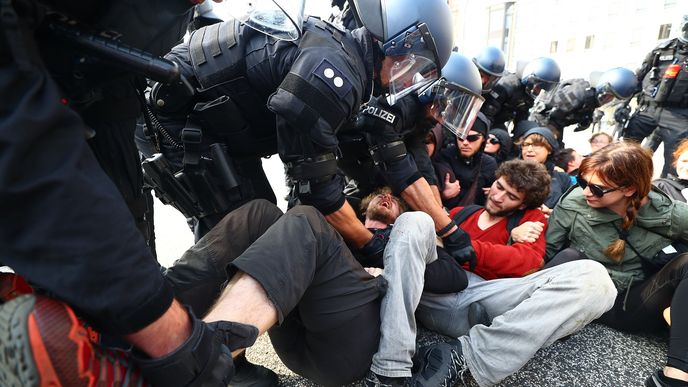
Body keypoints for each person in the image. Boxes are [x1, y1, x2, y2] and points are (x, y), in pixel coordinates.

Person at [0, 0, 305, 385]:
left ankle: (112, 342)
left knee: (130, 234)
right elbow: (26, 151)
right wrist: (174, 338)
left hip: (106, 106)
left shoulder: (190, 15)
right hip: (48, 119)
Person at [414, 159, 617, 386]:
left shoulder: (531, 220)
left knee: (597, 279)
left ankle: (464, 356)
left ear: (522, 205)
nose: (499, 197)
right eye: (499, 187)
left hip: (488, 297)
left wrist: (459, 244)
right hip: (438, 296)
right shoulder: (461, 213)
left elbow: (526, 262)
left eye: (511, 196)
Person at [544, 141, 688, 387]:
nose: (587, 191)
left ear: (629, 189)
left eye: (598, 189)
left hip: (630, 304)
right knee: (569, 256)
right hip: (583, 293)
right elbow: (549, 253)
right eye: (582, 182)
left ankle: (677, 374)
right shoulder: (573, 203)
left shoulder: (670, 213)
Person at [623, 14, 688, 178]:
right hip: (648, 108)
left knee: (675, 161)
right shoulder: (662, 49)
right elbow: (638, 77)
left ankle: (668, 195)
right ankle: (620, 179)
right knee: (626, 149)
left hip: (678, 115)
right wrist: (623, 104)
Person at [530, 67, 638, 140]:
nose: (609, 100)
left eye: (613, 98)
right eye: (608, 95)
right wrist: (546, 137)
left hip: (555, 127)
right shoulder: (578, 92)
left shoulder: (592, 98)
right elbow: (544, 113)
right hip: (540, 126)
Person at [434, 112, 497, 208]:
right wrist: (442, 196)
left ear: (484, 138)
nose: (465, 143)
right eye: (461, 137)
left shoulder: (488, 164)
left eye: (472, 138)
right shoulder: (443, 156)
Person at [481, 57, 561, 131]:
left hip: (498, 122)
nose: (539, 92)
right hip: (486, 121)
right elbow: (486, 115)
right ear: (530, 79)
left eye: (543, 89)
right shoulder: (507, 86)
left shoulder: (529, 93)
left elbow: (522, 119)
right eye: (538, 87)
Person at [517, 127, 573, 213]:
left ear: (549, 149)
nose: (529, 150)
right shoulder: (511, 173)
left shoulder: (562, 178)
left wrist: (551, 213)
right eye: (526, 144)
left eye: (536, 145)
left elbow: (570, 210)